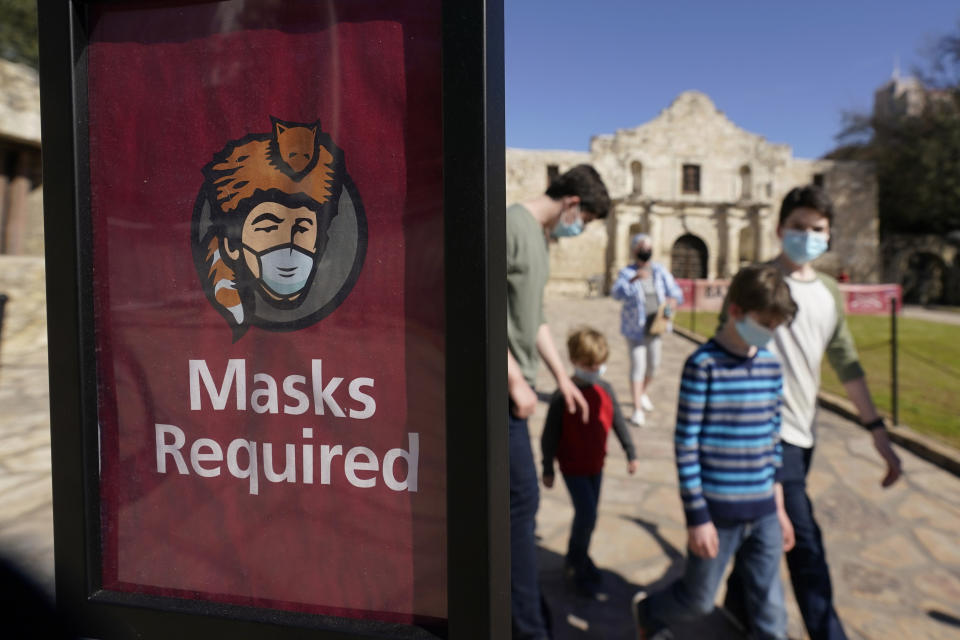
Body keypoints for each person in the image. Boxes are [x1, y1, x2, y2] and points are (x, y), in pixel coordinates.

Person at [722, 185, 903, 640]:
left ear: (829, 235)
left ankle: (733, 612)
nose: (806, 236)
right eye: (798, 227)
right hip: (762, 433)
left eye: (817, 229)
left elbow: (846, 361)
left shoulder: (827, 292)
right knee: (803, 542)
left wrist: (876, 429)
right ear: (780, 228)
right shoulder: (756, 280)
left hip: (803, 432)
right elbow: (727, 349)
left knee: (759, 535)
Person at [632, 263, 798, 640]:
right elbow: (686, 445)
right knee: (699, 600)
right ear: (736, 310)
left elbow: (774, 443)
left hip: (765, 512)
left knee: (772, 612)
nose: (770, 335)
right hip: (718, 516)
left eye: (776, 327)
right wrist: (697, 518)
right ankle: (649, 611)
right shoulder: (703, 365)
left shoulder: (771, 367)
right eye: (765, 324)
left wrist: (780, 506)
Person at [507, 164, 611, 639]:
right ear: (573, 203)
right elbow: (477, 303)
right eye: (586, 219)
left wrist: (561, 379)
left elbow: (535, 317)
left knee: (518, 505)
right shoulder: (511, 225)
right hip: (505, 396)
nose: (581, 229)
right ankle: (526, 624)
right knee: (521, 502)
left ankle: (524, 611)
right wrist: (513, 380)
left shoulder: (540, 239)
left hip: (519, 391)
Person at [540, 327, 638, 600]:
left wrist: (630, 451)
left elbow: (617, 420)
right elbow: (550, 435)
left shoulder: (605, 389)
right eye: (589, 365)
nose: (595, 369)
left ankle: (579, 556)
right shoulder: (563, 396)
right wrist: (547, 467)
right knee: (587, 515)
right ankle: (575, 562)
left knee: (589, 516)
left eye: (599, 364)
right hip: (573, 469)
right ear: (574, 360)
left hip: (597, 466)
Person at [610, 233, 684, 426]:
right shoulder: (627, 273)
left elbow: (675, 291)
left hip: (656, 326)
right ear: (634, 250)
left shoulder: (659, 271)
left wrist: (673, 300)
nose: (645, 249)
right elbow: (616, 294)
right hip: (635, 328)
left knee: (654, 366)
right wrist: (634, 279)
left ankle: (642, 393)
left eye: (648, 246)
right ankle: (637, 409)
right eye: (642, 246)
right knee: (638, 366)